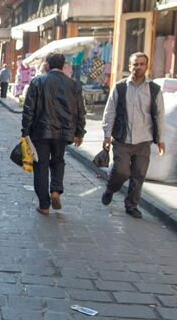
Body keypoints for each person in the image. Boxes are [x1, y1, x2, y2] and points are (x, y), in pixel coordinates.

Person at [101, 52, 166, 218]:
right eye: (135, 64)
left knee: (138, 175)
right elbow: (110, 112)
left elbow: (159, 114)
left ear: (147, 66)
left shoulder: (154, 89)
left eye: (142, 64)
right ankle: (111, 188)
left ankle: (131, 205)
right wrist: (107, 135)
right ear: (129, 66)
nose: (138, 67)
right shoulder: (120, 87)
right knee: (122, 171)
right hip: (122, 138)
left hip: (144, 139)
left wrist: (161, 139)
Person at [21, 52, 86, 215]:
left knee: (40, 165)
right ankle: (56, 190)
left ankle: (44, 205)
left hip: (40, 131)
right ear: (63, 65)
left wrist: (25, 131)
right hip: (63, 132)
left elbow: (29, 109)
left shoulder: (38, 82)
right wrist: (80, 132)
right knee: (58, 160)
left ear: (47, 64)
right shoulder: (74, 84)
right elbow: (80, 110)